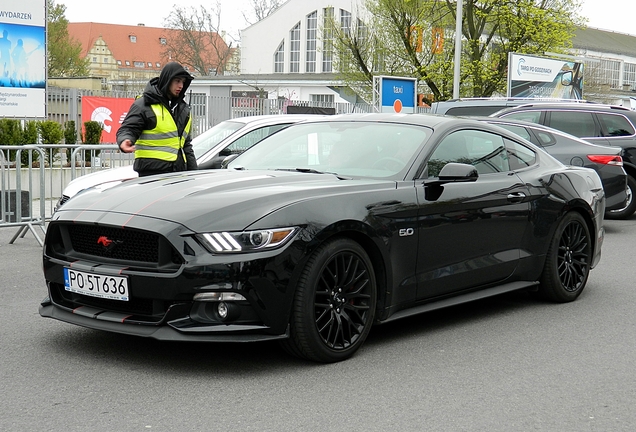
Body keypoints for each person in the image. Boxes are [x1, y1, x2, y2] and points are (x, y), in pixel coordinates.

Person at [117, 62, 197, 176]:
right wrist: (125, 140)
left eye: (183, 82)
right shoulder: (144, 104)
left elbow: (186, 146)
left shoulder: (182, 109)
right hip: (151, 174)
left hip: (177, 173)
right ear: (167, 80)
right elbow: (128, 128)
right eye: (177, 81)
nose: (181, 86)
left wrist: (194, 173)